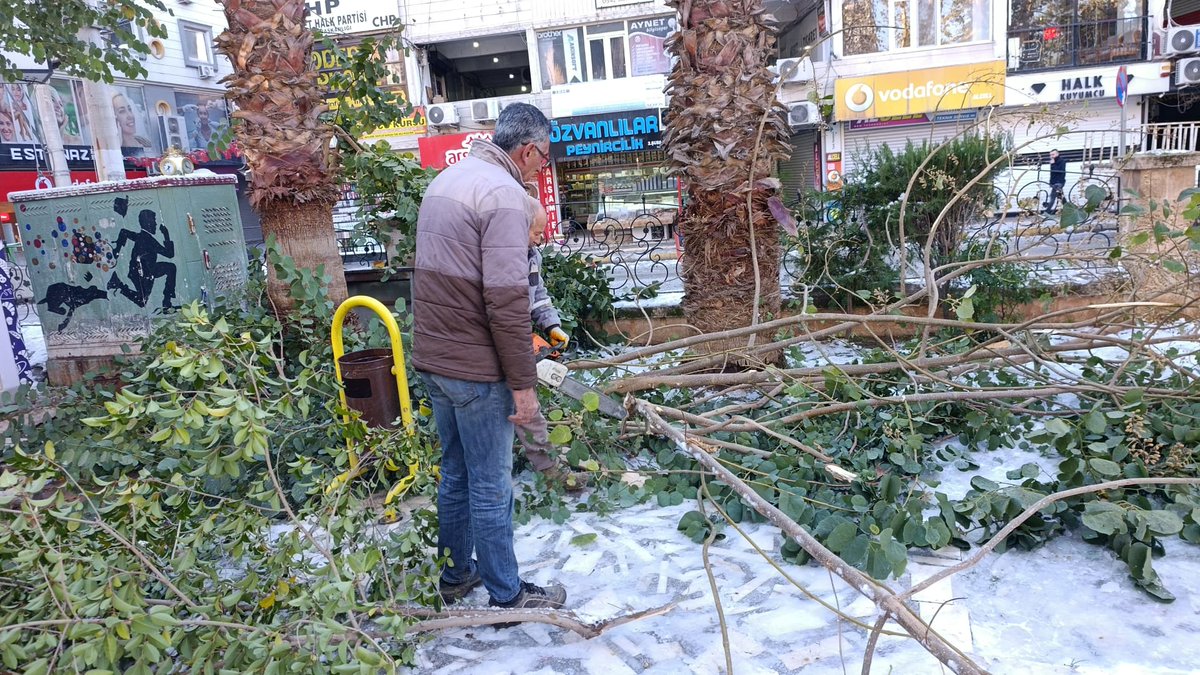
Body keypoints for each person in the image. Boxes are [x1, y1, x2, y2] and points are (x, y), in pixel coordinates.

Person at [411, 102, 568, 611]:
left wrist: (546, 327)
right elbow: (505, 299)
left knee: (455, 471)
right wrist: (523, 389)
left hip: (435, 357)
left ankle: (456, 574)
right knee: (490, 481)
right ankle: (508, 591)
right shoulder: (502, 194)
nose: (542, 168)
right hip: (474, 367)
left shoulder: (448, 179)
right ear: (527, 150)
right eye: (543, 159)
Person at [515, 195, 587, 490]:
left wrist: (551, 325)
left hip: (514, 335)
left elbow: (538, 295)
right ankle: (549, 472)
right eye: (537, 231)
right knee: (525, 406)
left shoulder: (533, 255)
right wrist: (522, 342)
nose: (541, 237)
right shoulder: (500, 256)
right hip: (502, 340)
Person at [1044, 149, 1067, 214]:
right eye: (1050, 155)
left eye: (1053, 154)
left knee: (1052, 197)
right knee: (1062, 198)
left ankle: (1046, 212)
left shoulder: (1061, 161)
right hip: (1055, 182)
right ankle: (1069, 209)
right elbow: (1052, 174)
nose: (1051, 156)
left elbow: (1058, 171)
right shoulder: (1053, 161)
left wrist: (1053, 164)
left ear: (1057, 154)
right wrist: (1051, 182)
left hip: (1058, 182)